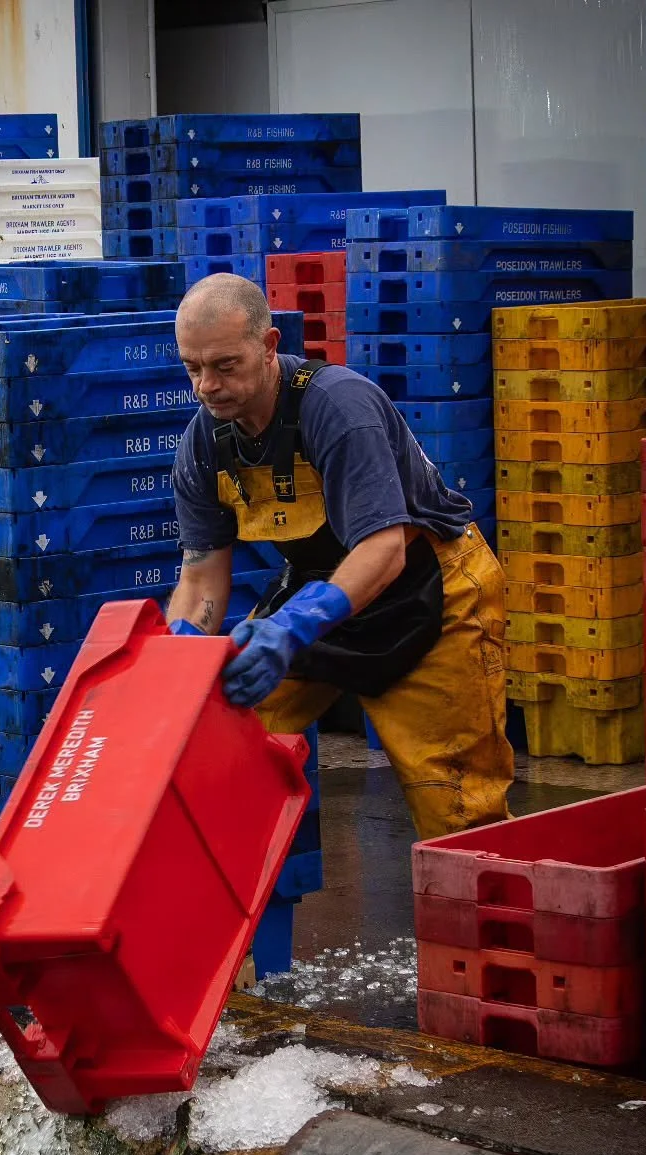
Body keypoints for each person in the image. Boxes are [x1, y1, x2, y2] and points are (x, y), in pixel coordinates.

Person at [164, 273, 514, 840]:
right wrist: (181, 654)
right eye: (193, 368)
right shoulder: (206, 442)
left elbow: (384, 548)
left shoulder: (337, 407)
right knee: (220, 734)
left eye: (225, 365)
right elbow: (202, 575)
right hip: (321, 590)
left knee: (457, 810)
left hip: (434, 593)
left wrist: (290, 629)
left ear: (270, 346)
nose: (207, 386)